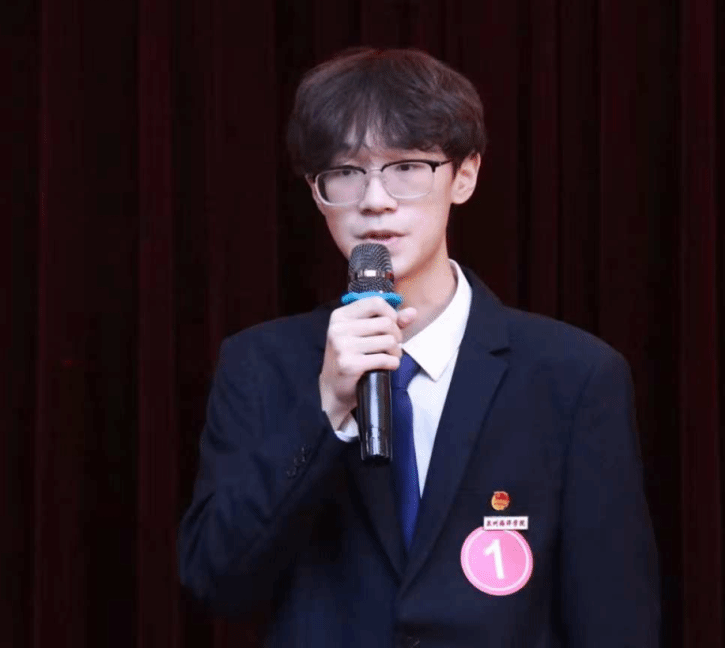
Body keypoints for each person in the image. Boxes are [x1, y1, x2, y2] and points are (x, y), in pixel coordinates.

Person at [178, 47, 660, 647]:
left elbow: (614, 616)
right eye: (345, 173)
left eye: (406, 166)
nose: (374, 199)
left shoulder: (573, 376)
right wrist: (327, 410)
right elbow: (216, 580)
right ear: (316, 193)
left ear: (465, 175)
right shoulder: (259, 366)